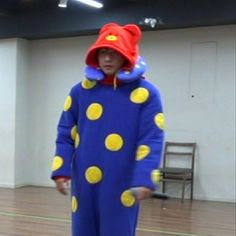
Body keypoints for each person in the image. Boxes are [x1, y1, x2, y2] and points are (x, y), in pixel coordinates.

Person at [51, 22, 165, 236]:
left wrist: (144, 177)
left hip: (122, 181)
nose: (107, 58)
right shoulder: (80, 91)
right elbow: (66, 133)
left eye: (114, 52)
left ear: (127, 55)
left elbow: (151, 139)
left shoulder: (147, 93)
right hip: (84, 183)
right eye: (103, 52)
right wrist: (61, 170)